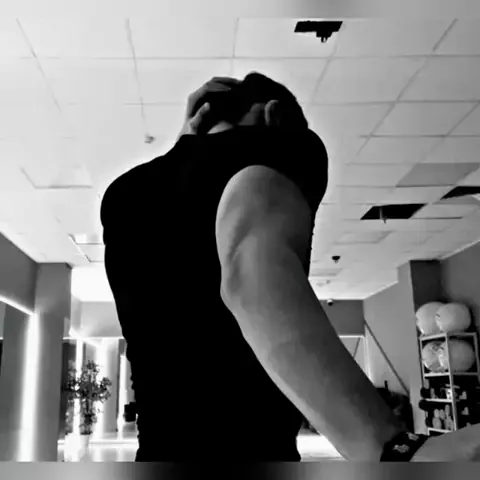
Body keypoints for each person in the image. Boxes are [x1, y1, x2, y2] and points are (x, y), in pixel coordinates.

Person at [101, 72, 480, 462]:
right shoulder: (281, 145)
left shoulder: (124, 193)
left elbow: (185, 199)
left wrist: (185, 144)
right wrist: (389, 449)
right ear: (274, 113)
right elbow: (248, 268)